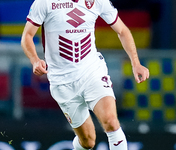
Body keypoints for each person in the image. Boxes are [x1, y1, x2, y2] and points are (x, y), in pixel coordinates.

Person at [21, 0, 149, 149]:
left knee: (111, 122)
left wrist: (136, 63)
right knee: (88, 142)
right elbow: (27, 36)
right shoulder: (45, 2)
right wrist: (35, 60)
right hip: (62, 81)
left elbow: (122, 31)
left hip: (92, 72)